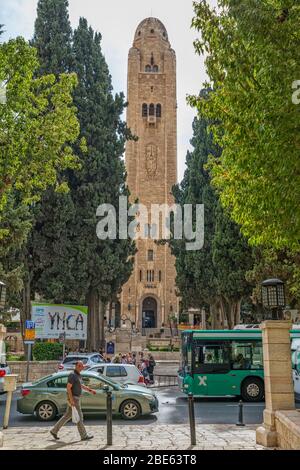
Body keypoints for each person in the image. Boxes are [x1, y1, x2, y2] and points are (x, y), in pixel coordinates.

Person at [50, 361, 96, 441]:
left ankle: (54, 431)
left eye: (83, 366)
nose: (83, 367)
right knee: (79, 417)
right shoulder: (72, 375)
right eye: (81, 366)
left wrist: (89, 390)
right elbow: (68, 388)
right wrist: (71, 400)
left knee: (67, 416)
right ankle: (84, 435)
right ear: (77, 366)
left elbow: (80, 385)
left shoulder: (78, 375)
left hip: (76, 398)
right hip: (74, 398)